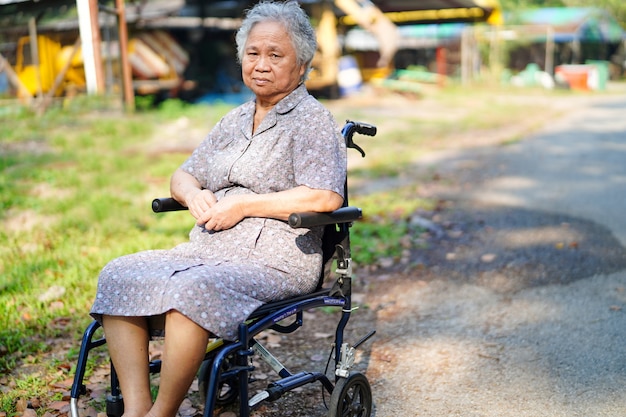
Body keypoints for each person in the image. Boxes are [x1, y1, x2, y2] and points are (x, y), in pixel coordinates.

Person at [89, 1, 347, 417]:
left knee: (193, 292)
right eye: (253, 53)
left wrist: (245, 204)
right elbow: (183, 174)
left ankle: (164, 412)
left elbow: (325, 198)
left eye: (275, 55)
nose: (261, 64)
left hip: (275, 258)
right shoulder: (232, 120)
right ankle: (138, 409)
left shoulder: (313, 121)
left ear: (301, 65)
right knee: (119, 273)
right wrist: (193, 195)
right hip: (207, 251)